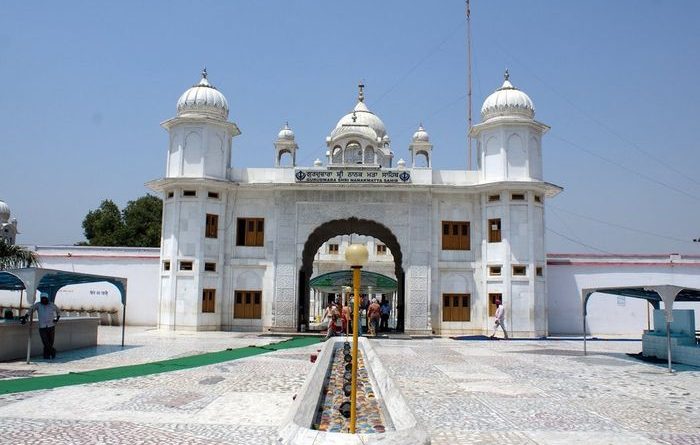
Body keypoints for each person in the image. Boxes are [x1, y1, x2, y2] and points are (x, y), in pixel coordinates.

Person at [25, 293, 61, 359]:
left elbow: (58, 311)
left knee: (50, 341)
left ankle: (46, 355)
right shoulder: (38, 305)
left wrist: (57, 319)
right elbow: (31, 310)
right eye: (42, 299)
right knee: (45, 342)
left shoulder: (52, 305)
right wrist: (26, 316)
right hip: (42, 326)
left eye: (45, 298)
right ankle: (53, 351)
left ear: (47, 299)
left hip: (51, 325)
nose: (44, 300)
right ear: (41, 299)